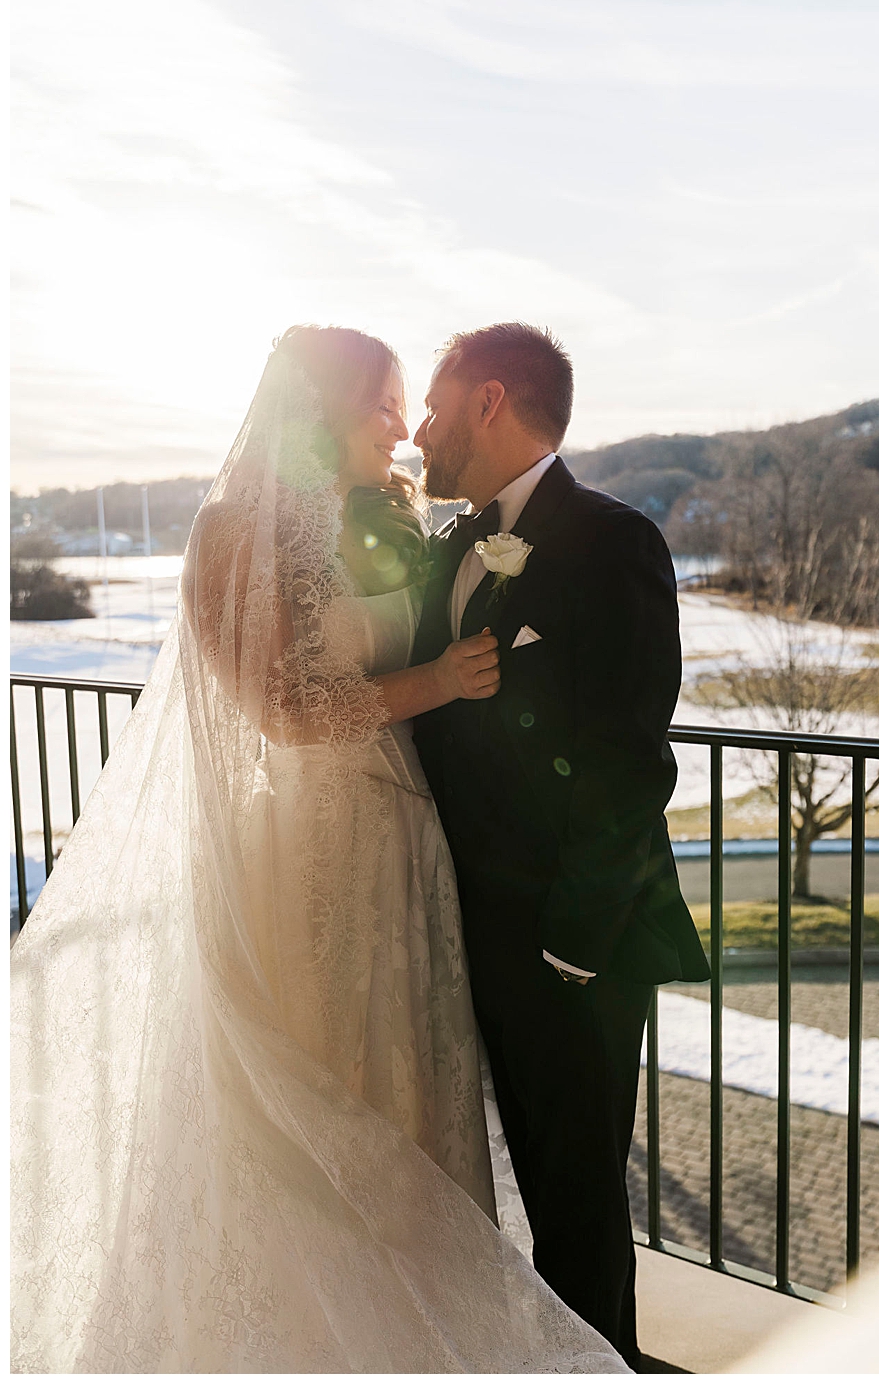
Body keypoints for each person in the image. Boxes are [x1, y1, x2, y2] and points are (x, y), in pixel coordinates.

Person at [10, 325, 624, 1370]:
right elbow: (282, 707)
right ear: (323, 409)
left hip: (406, 843)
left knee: (410, 1107)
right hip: (305, 853)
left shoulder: (388, 520)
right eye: (385, 402)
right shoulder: (230, 532)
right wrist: (441, 683)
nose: (402, 425)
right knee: (316, 1108)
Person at [410, 323, 710, 1369]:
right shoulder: (449, 543)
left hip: (568, 951)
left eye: (436, 407)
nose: (418, 430)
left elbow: (630, 759)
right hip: (460, 931)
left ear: (490, 401)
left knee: (576, 1213)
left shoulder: (612, 538)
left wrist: (573, 947)